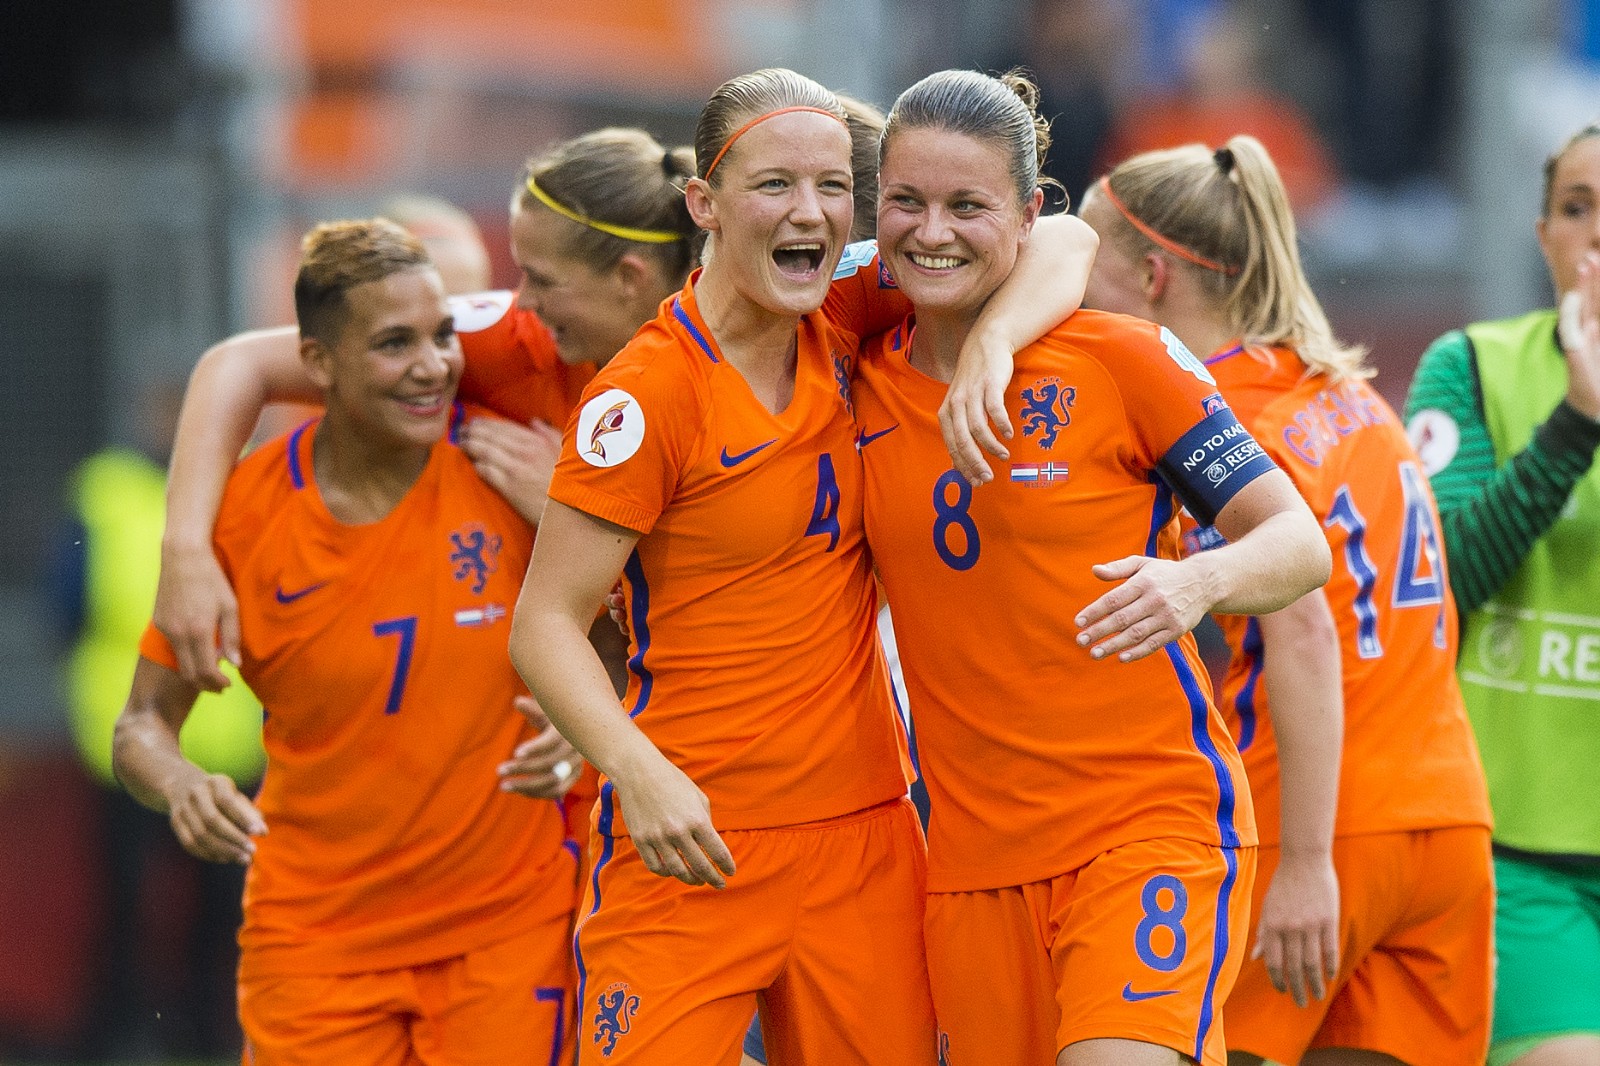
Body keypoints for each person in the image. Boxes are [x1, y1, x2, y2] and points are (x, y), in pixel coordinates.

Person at [508, 68, 1097, 1064]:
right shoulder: (645, 397)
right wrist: (638, 773)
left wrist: (994, 343)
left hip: (864, 841)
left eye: (833, 187)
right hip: (692, 833)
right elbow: (545, 623)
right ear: (704, 204)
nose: (811, 212)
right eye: (775, 184)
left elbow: (1067, 238)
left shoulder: (843, 309)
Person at [852, 70, 1329, 1066]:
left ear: (1029, 214)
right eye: (906, 201)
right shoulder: (847, 374)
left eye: (968, 205)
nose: (932, 231)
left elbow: (1298, 543)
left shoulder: (1122, 358)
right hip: (970, 869)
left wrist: (1197, 582)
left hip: (1144, 828)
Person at [112, 219, 582, 1065]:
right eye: (395, 344)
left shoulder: (512, 466)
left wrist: (586, 725)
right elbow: (141, 725)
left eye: (443, 336)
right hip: (315, 942)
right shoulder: (244, 517)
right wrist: (180, 783)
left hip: (505, 930)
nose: (435, 366)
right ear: (317, 363)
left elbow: (633, 638)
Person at [1075, 135, 1494, 1065]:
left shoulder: (1219, 420)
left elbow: (1302, 629)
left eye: (1082, 269)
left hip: (1318, 824)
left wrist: (1305, 862)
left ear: (1152, 277)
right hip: (1447, 817)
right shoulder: (1346, 391)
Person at [1403, 121, 1600, 1066]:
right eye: (1577, 208)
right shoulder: (1471, 367)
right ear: (1543, 236)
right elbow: (1439, 582)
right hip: (1514, 853)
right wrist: (1576, 425)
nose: (1598, 234)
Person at [51, 381, 263, 1060]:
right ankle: (120, 1033)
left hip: (229, 741)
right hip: (128, 741)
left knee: (223, 907)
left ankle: (205, 1034)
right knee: (126, 903)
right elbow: (64, 604)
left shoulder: (248, 491)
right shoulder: (106, 491)